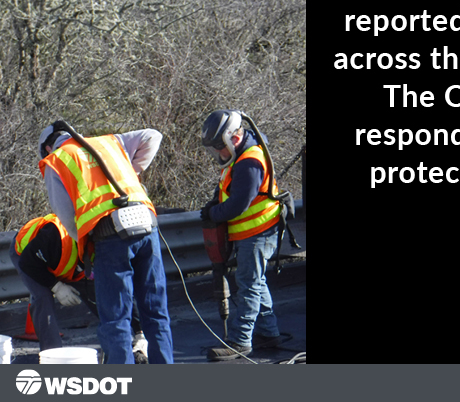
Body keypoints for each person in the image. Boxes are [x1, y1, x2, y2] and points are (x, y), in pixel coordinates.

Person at [38, 122, 173, 364]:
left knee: (115, 318)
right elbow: (153, 135)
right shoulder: (109, 141)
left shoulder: (56, 160)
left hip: (110, 237)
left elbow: (66, 215)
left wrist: (84, 246)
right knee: (155, 311)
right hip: (147, 224)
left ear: (48, 147)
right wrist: (131, 172)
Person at [9, 214, 151, 363]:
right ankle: (52, 358)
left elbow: (120, 289)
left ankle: (118, 352)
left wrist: (139, 331)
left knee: (102, 297)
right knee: (43, 297)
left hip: (69, 264)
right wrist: (56, 286)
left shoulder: (105, 246)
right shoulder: (55, 234)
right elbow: (28, 263)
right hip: (28, 257)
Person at [200, 110, 283, 361]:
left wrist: (213, 214)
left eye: (218, 148)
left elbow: (238, 204)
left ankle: (240, 341)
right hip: (252, 232)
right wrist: (215, 202)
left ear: (233, 139)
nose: (217, 154)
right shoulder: (240, 156)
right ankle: (268, 332)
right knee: (256, 282)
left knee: (248, 285)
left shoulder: (249, 161)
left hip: (259, 232)